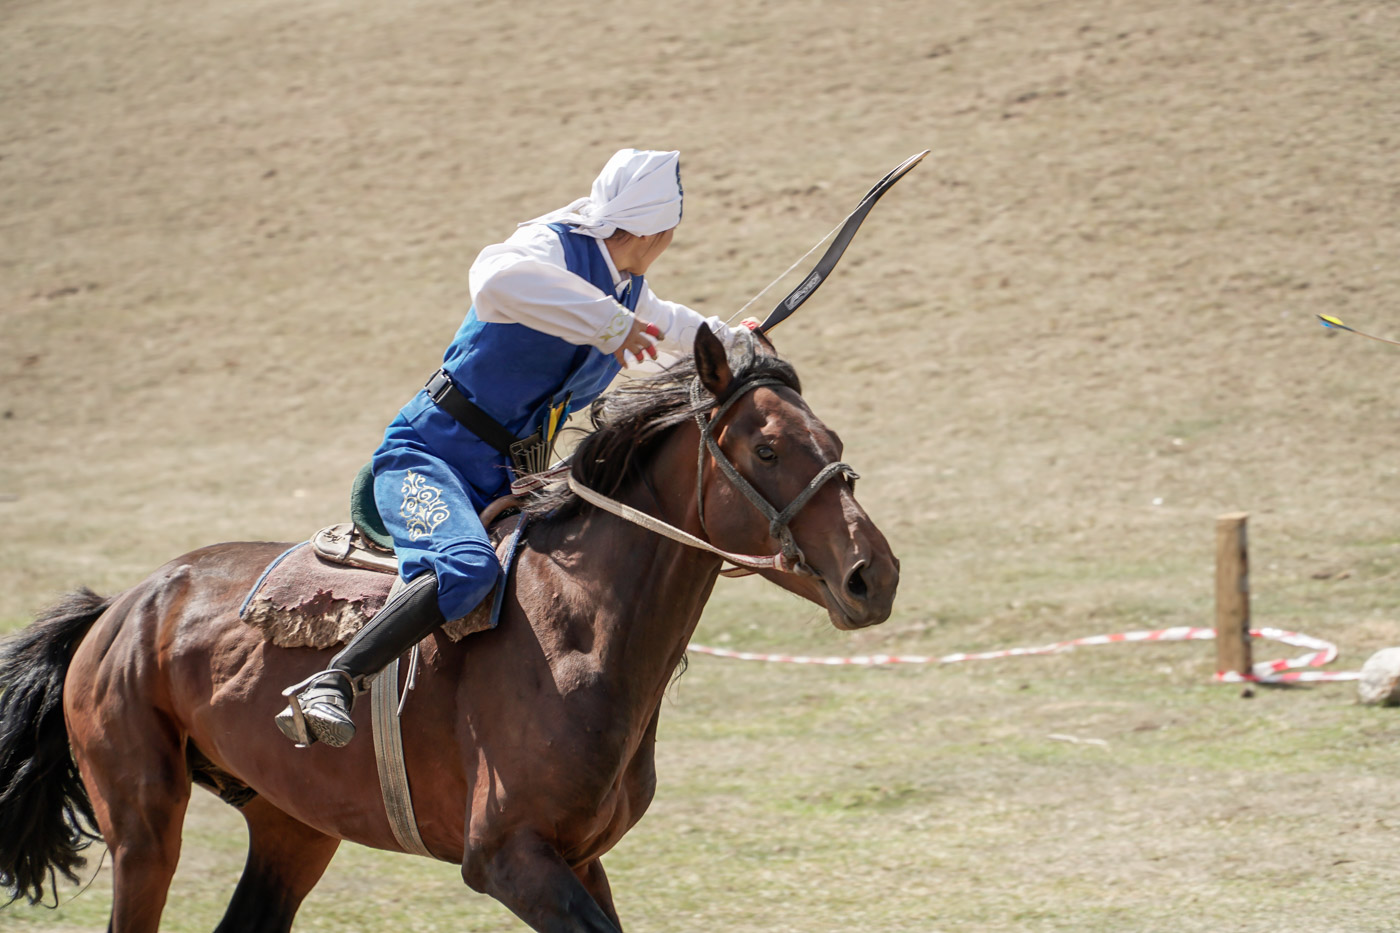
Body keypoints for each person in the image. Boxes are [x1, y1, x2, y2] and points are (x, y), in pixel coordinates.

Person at [276, 149, 748, 748]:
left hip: (515, 481)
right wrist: (610, 325)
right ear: (661, 229)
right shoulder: (549, 247)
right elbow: (496, 281)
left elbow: (676, 330)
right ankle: (333, 683)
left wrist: (736, 343)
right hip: (428, 457)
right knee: (467, 569)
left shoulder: (629, 293)